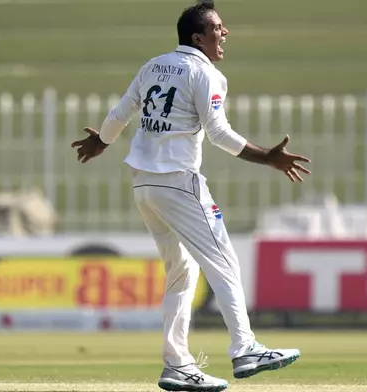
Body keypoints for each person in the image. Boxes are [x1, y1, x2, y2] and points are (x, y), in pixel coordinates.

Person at [70, 1, 310, 390]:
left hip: (144, 185)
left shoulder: (153, 66)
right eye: (218, 28)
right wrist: (267, 157)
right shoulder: (206, 74)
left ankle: (177, 363)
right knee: (223, 261)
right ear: (198, 37)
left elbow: (119, 113)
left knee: (182, 271)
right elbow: (217, 133)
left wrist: (101, 142)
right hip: (179, 183)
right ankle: (244, 346)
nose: (225, 33)